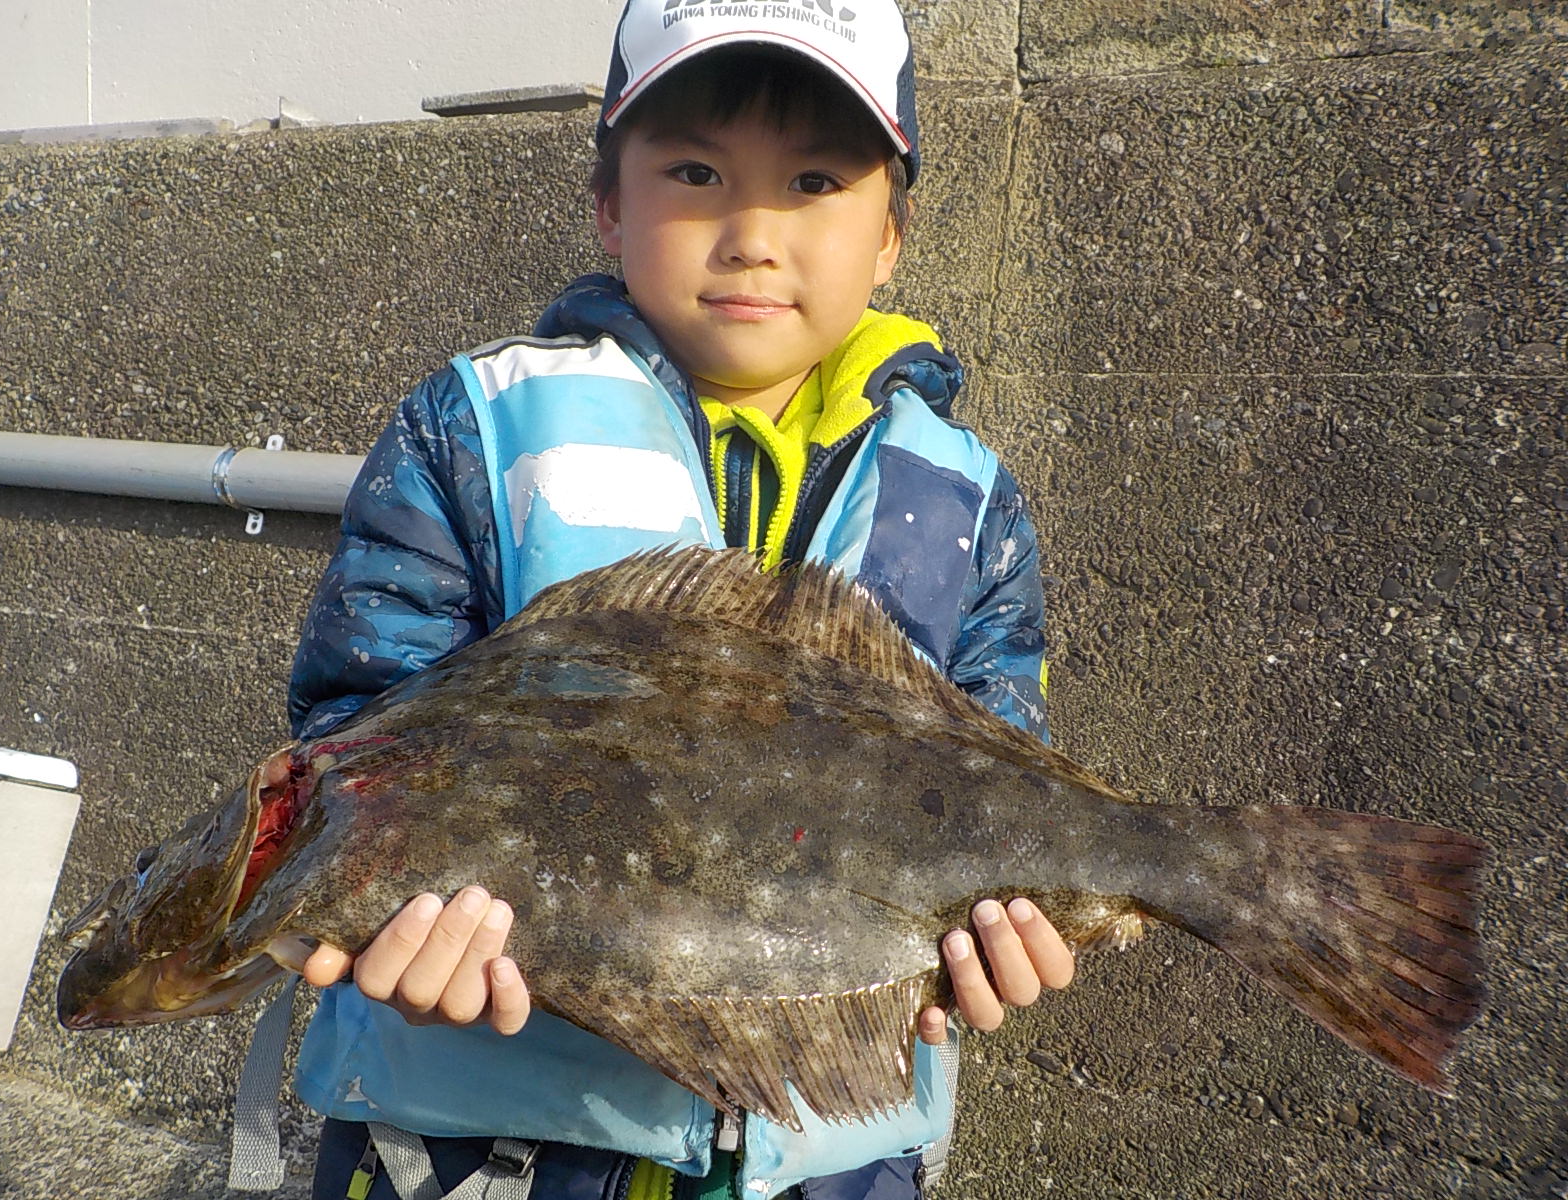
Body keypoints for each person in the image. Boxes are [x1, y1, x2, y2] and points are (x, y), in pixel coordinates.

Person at [281, 1, 1074, 1196]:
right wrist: (387, 904)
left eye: (814, 181)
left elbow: (1002, 766)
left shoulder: (967, 500)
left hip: (831, 1166)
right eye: (696, 172)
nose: (753, 234)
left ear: (893, 235)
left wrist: (1009, 927)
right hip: (487, 1151)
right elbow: (360, 737)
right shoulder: (471, 430)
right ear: (609, 202)